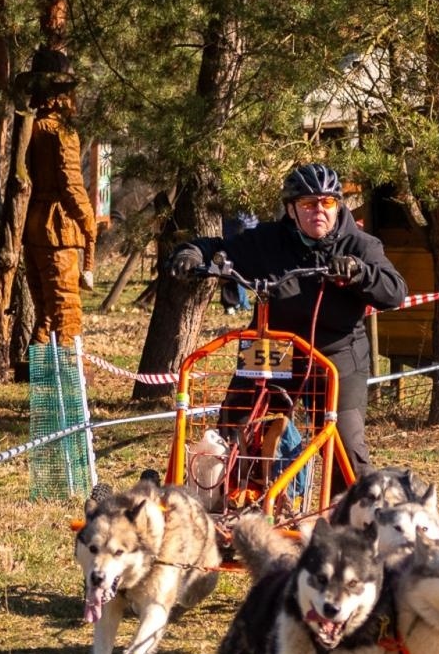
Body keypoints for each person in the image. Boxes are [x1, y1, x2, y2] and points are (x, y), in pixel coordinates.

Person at [169, 163, 406, 484]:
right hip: (273, 347)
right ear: (291, 210)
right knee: (233, 428)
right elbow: (215, 247)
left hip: (336, 354)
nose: (319, 211)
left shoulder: (360, 245)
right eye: (309, 204)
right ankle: (241, 504)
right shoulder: (268, 241)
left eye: (328, 203)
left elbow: (395, 292)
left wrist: (359, 273)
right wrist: (192, 253)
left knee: (346, 453)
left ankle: (348, 521)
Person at [21, 46, 101, 347]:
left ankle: (37, 368)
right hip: (58, 230)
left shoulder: (31, 127)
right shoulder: (59, 132)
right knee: (65, 308)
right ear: (61, 94)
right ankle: (68, 372)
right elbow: (71, 184)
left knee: (45, 312)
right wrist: (87, 221)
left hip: (35, 227)